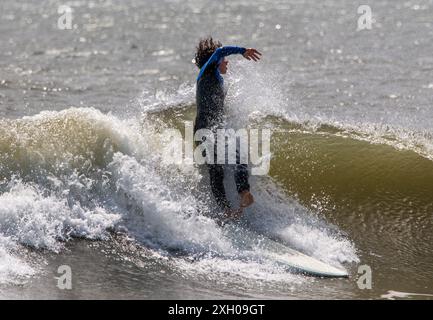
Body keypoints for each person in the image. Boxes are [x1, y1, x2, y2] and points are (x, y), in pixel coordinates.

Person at [193, 37, 262, 220]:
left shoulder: (215, 79)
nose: (226, 61)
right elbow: (219, 52)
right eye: (224, 60)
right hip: (204, 130)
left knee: (237, 155)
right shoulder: (206, 72)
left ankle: (244, 193)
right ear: (215, 62)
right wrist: (242, 50)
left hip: (215, 129)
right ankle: (225, 210)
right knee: (217, 171)